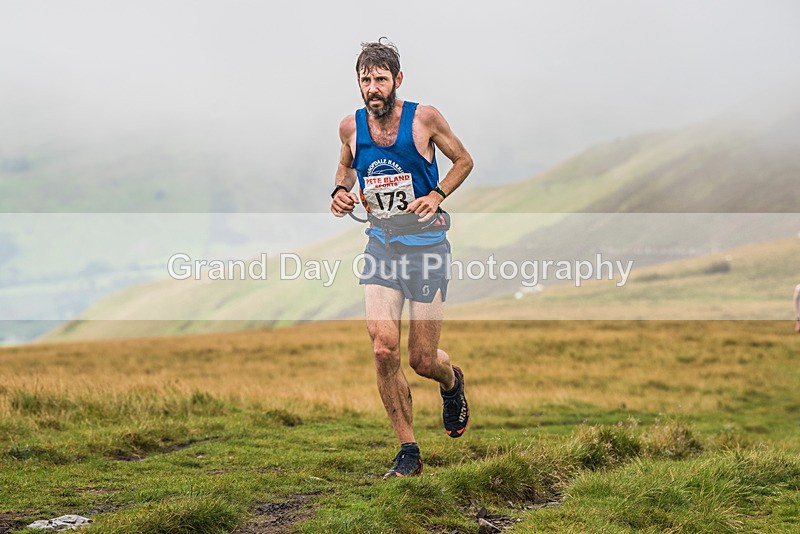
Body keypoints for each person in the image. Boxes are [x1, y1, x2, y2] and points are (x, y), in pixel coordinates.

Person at [330, 39, 474, 478]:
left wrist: (436, 194)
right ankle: (408, 449)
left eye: (380, 78)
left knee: (422, 359)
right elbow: (345, 168)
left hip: (427, 248)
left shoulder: (424, 118)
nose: (372, 87)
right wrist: (339, 192)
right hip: (381, 245)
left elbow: (463, 161)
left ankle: (452, 383)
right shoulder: (350, 128)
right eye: (365, 79)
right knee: (382, 348)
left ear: (397, 80)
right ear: (357, 82)